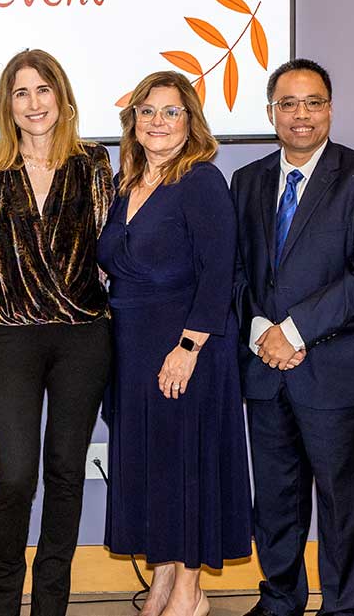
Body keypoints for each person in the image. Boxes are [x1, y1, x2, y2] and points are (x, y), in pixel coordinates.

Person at [231, 59, 354, 616]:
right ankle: (280, 600)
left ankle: (347, 608)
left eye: (312, 102)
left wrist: (295, 329)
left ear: (330, 107)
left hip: (336, 370)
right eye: (288, 103)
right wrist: (262, 329)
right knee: (275, 503)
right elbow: (238, 271)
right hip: (265, 369)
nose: (300, 115)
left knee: (341, 504)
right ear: (270, 112)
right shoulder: (248, 180)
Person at [96, 72, 252, 616]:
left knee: (185, 464)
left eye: (171, 111)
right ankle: (163, 578)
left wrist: (187, 348)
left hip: (185, 349)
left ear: (191, 122)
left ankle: (188, 592)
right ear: (132, 121)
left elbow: (219, 273)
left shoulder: (201, 180)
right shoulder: (127, 184)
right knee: (153, 467)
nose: (157, 122)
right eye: (147, 111)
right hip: (133, 348)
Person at [0, 49, 114, 616]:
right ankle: (1, 603)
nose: (34, 103)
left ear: (63, 97)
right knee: (16, 475)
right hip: (11, 338)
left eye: (43, 90)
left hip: (83, 337)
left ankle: (51, 602)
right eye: (21, 93)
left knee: (65, 472)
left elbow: (111, 249)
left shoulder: (95, 164)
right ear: (8, 104)